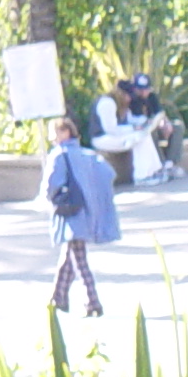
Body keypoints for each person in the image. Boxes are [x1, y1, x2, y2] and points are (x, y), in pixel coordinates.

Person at [43, 116, 120, 317]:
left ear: (65, 132)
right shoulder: (88, 155)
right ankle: (58, 298)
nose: (53, 138)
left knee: (79, 259)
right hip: (87, 212)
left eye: (55, 133)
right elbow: (108, 175)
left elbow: (51, 185)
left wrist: (50, 199)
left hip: (70, 212)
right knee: (69, 255)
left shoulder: (59, 155)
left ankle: (92, 302)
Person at [89, 76, 167, 186]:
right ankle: (141, 177)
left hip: (116, 136)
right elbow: (111, 129)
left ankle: (154, 170)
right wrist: (133, 129)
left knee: (144, 135)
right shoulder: (107, 103)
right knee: (138, 137)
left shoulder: (121, 105)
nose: (130, 99)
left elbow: (130, 119)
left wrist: (146, 122)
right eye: (128, 96)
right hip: (102, 138)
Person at [127, 71, 186, 179]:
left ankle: (170, 163)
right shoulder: (131, 100)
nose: (143, 92)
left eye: (146, 89)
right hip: (142, 130)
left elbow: (159, 113)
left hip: (155, 125)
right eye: (140, 89)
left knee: (177, 127)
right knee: (151, 131)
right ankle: (160, 165)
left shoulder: (152, 97)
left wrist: (165, 123)